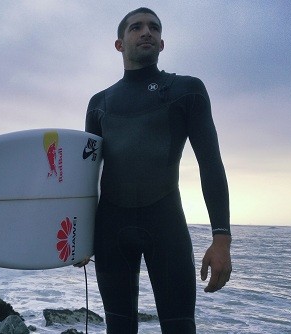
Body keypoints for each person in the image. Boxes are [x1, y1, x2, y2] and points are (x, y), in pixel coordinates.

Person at [75, 7, 232, 334]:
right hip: (110, 230)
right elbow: (85, 176)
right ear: (119, 44)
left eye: (154, 28)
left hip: (165, 224)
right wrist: (79, 237)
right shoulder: (99, 104)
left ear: (162, 44)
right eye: (136, 27)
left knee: (179, 328)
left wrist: (221, 239)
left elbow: (211, 163)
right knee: (118, 329)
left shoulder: (186, 91)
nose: (146, 31)